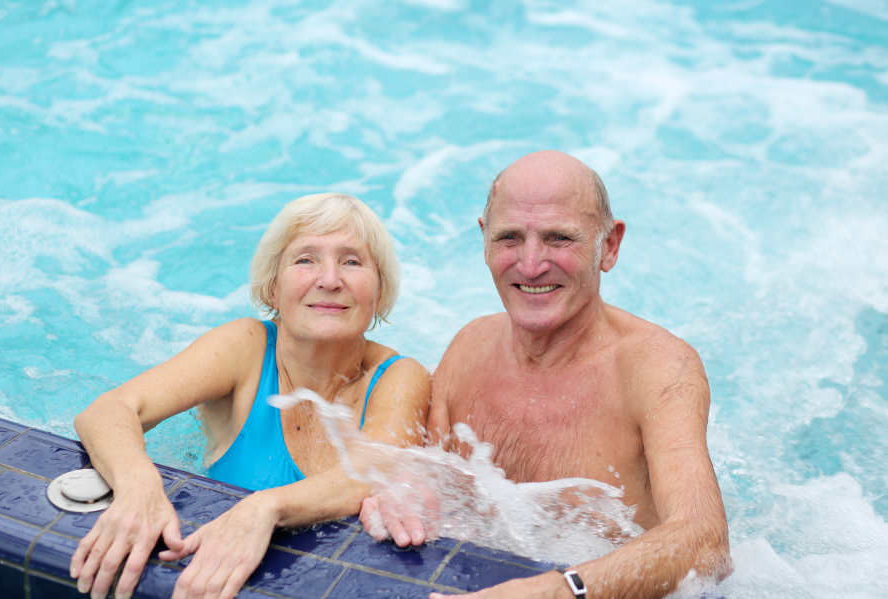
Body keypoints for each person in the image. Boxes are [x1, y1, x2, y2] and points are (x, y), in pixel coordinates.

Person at [360, 151, 731, 598]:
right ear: (484, 241)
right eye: (510, 238)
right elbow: (414, 469)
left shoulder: (656, 369)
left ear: (609, 246)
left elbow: (706, 546)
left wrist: (558, 591)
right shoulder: (470, 346)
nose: (531, 264)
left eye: (559, 239)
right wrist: (396, 491)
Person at [70, 193, 431, 599]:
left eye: (351, 261)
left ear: (380, 291)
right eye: (305, 260)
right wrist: (139, 487)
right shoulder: (246, 347)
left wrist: (264, 507)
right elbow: (108, 410)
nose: (330, 279)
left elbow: (374, 471)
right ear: (272, 290)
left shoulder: (399, 377)